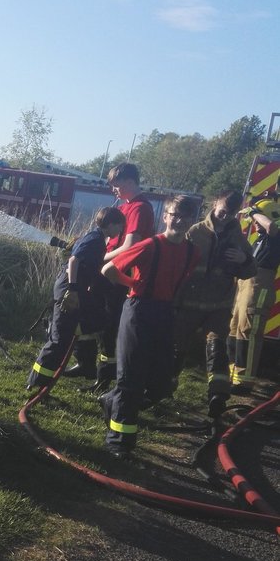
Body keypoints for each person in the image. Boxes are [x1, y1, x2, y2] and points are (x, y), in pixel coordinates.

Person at [99, 195, 199, 457]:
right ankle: (118, 442)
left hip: (165, 313)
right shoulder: (150, 246)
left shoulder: (192, 252)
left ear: (192, 220)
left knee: (162, 381)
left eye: (185, 216)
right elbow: (108, 269)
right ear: (165, 216)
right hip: (138, 310)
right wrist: (133, 284)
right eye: (174, 214)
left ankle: (111, 400)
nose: (179, 220)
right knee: (130, 379)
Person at [173, 191, 255, 416]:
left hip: (218, 306)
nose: (226, 216)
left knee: (218, 348)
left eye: (231, 214)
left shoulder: (237, 237)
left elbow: (250, 270)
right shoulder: (195, 232)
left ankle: (217, 396)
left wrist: (244, 260)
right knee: (176, 347)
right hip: (188, 303)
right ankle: (163, 388)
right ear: (214, 204)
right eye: (223, 211)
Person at [26, 206, 125, 391]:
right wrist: (72, 289)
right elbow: (73, 261)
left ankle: (68, 333)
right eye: (119, 225)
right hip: (69, 288)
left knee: (99, 320)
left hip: (75, 288)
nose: (121, 230)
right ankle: (37, 382)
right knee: (58, 341)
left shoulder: (96, 238)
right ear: (110, 224)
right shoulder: (95, 240)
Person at [95, 162, 156, 393]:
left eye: (116, 184)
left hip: (120, 274)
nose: (114, 190)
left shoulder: (140, 208)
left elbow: (131, 245)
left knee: (111, 326)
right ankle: (101, 373)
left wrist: (102, 256)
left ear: (130, 181)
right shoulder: (126, 205)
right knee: (103, 324)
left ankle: (108, 379)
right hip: (111, 269)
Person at [228, 192, 280, 389]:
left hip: (259, 287)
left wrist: (254, 211)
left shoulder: (275, 236)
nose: (253, 222)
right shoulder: (259, 239)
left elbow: (272, 227)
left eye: (257, 218)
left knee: (249, 331)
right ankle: (232, 372)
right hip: (246, 285)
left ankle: (244, 379)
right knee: (235, 327)